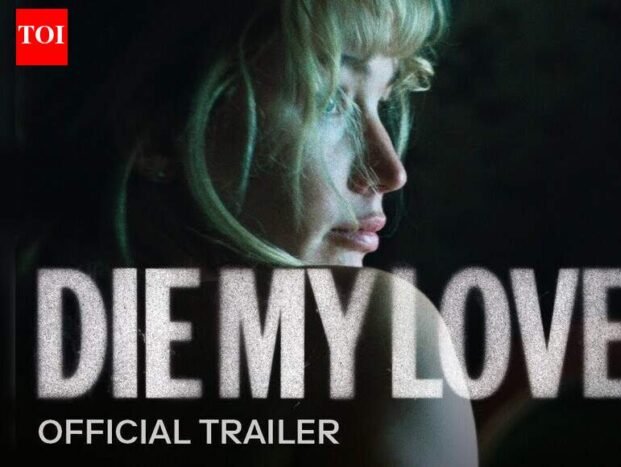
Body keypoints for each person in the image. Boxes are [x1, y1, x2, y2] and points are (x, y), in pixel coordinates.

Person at [16, 0, 478, 464]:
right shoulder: (369, 335)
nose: (389, 171)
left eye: (384, 102)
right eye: (329, 102)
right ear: (159, 128)